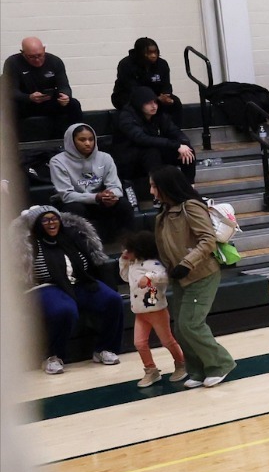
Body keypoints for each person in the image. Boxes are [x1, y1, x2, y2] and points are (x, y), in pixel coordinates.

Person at [150, 166, 236, 388]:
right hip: (180, 277)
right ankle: (197, 370)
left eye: (153, 186)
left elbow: (207, 239)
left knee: (191, 324)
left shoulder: (191, 207)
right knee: (180, 327)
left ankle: (221, 363)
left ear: (165, 187)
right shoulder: (162, 215)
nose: (150, 191)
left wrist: (187, 264)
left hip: (202, 273)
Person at [22, 206, 124, 375]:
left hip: (80, 282)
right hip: (48, 287)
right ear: (37, 224)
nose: (51, 223)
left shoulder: (72, 236)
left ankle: (105, 348)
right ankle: (53, 356)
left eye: (54, 218)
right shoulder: (30, 243)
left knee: (113, 300)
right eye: (45, 220)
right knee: (64, 310)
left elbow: (93, 263)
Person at [119, 229, 186, 385]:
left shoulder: (153, 264)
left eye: (130, 250)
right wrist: (123, 261)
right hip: (140, 312)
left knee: (167, 341)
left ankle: (181, 364)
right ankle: (151, 370)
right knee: (139, 343)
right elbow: (124, 277)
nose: (127, 252)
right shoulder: (133, 264)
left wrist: (148, 277)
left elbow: (163, 276)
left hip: (157, 311)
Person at [50, 123, 135, 243]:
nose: (88, 143)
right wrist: (96, 197)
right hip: (74, 201)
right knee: (74, 209)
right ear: (71, 141)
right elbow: (66, 195)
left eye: (91, 139)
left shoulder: (105, 157)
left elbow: (116, 186)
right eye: (82, 139)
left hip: (100, 200)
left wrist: (111, 195)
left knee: (124, 205)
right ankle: (83, 247)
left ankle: (130, 245)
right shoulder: (57, 161)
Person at [112, 87, 197, 186]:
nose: (154, 106)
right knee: (152, 153)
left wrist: (184, 143)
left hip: (150, 153)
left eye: (155, 102)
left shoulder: (159, 115)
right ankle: (160, 192)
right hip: (128, 159)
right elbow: (141, 139)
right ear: (139, 104)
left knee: (188, 151)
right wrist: (176, 145)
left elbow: (174, 131)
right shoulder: (126, 117)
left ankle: (190, 188)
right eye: (148, 103)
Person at [6, 37, 84, 136]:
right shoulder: (13, 63)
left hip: (48, 102)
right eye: (32, 57)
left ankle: (77, 138)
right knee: (8, 106)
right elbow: (10, 91)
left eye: (40, 55)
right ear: (23, 53)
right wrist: (29, 97)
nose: (37, 60)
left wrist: (65, 96)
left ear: (44, 50)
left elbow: (64, 85)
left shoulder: (54, 61)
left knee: (73, 104)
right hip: (25, 104)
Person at [111, 37, 179, 112]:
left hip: (157, 96)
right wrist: (154, 98)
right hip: (128, 96)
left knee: (175, 102)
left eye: (155, 52)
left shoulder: (162, 64)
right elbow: (132, 88)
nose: (153, 55)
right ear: (140, 53)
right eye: (149, 53)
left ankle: (173, 124)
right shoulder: (126, 64)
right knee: (142, 105)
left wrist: (166, 95)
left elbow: (166, 84)